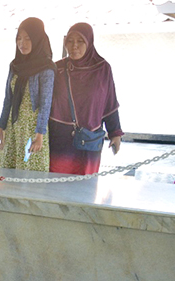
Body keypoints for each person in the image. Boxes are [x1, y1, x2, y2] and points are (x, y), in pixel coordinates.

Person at [49, 23, 123, 175]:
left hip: (89, 139)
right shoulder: (57, 68)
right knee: (55, 185)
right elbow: (43, 103)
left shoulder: (102, 69)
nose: (74, 46)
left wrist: (115, 133)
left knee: (84, 187)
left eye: (80, 41)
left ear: (89, 42)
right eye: (70, 41)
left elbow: (109, 102)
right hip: (59, 140)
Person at [0, 17, 55, 172]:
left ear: (38, 39)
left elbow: (45, 103)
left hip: (32, 128)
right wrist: (1, 128)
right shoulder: (15, 66)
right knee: (6, 171)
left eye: (28, 38)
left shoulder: (46, 67)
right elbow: (8, 99)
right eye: (19, 38)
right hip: (13, 125)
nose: (22, 43)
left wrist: (39, 134)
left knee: (29, 170)